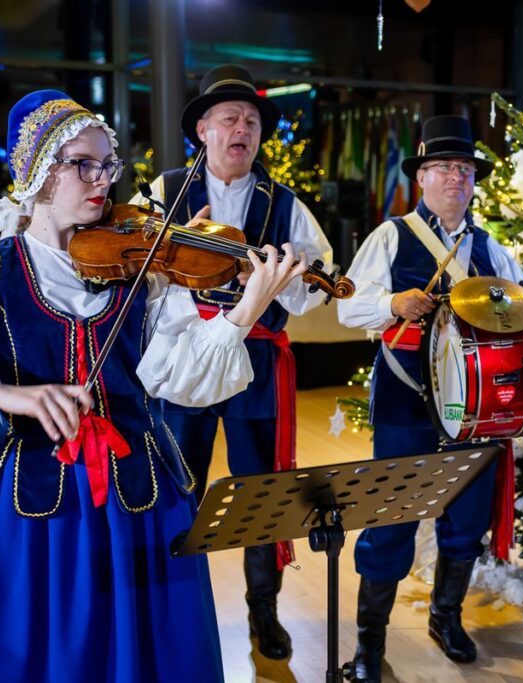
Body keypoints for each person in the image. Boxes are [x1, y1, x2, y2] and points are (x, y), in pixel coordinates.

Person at [0, 89, 305, 683]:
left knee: (156, 654)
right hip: (31, 507)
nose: (103, 180)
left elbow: (182, 381)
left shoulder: (145, 275)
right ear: (37, 173)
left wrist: (240, 315)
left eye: (108, 165)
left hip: (144, 496)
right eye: (84, 164)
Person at [337, 115, 523, 682]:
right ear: (422, 177)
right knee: (391, 521)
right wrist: (391, 304)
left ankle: (444, 615)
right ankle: (369, 643)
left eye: (464, 169)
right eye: (442, 168)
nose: (454, 177)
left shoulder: (492, 250)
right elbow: (346, 307)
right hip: (406, 402)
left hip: (476, 414)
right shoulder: (392, 236)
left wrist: (513, 306)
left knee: (466, 520)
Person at [135, 63, 333, 661]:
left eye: (250, 120)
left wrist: (294, 279)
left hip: (257, 364)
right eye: (229, 118)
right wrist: (169, 252)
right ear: (202, 129)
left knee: (261, 491)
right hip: (186, 361)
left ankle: (263, 609)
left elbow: (317, 286)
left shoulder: (287, 204)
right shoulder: (164, 193)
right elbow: (133, 275)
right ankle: (172, 601)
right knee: (178, 484)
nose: (241, 128)